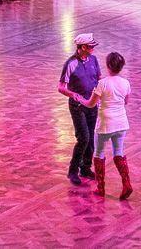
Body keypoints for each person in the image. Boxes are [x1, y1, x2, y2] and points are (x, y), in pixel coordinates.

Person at [76, 51, 133, 199]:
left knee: (99, 154)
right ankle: (126, 183)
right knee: (118, 153)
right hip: (121, 123)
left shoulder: (102, 83)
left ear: (108, 66)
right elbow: (126, 102)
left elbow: (91, 104)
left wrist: (79, 98)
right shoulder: (126, 83)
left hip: (105, 124)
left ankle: (101, 188)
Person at [57, 33, 102, 186]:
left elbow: (99, 78)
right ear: (82, 47)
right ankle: (73, 171)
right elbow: (61, 87)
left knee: (91, 140)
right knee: (83, 138)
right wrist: (73, 94)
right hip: (78, 107)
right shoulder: (70, 64)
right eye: (90, 47)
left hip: (92, 105)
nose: (93, 49)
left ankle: (85, 168)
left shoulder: (94, 60)